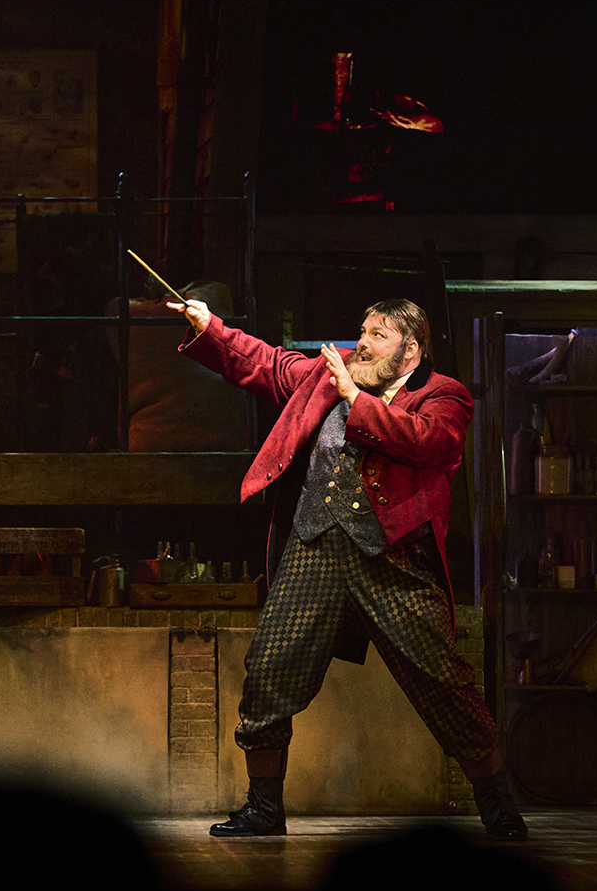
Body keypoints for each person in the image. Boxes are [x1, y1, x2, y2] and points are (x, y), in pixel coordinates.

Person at [169, 295, 526, 840]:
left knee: (443, 681)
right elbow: (265, 363)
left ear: (411, 349)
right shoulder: (327, 374)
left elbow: (430, 440)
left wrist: (356, 399)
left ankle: (498, 806)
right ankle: (264, 809)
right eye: (363, 331)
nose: (363, 343)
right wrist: (210, 327)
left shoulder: (443, 395)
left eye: (378, 335)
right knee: (268, 671)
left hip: (391, 560)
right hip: (313, 550)